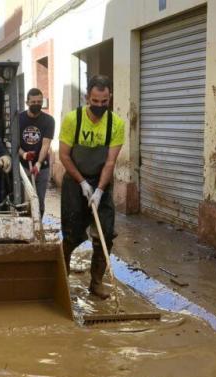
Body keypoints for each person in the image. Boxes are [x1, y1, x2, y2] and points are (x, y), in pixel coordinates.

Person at [59, 75, 125, 299]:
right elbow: (64, 156)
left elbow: (110, 162)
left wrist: (98, 190)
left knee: (105, 234)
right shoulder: (72, 120)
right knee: (72, 234)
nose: (99, 106)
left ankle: (96, 283)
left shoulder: (116, 124)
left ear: (109, 98)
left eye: (104, 102)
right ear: (88, 97)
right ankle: (61, 278)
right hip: (75, 180)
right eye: (95, 102)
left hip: (101, 181)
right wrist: (82, 183)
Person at [18, 88, 55, 218]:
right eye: (33, 102)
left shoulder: (48, 121)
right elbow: (14, 143)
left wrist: (38, 163)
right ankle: (25, 226)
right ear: (27, 102)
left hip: (42, 166)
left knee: (39, 200)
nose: (36, 104)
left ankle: (38, 227)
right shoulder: (19, 119)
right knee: (24, 201)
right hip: (22, 166)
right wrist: (24, 154)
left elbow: (46, 144)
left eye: (39, 102)